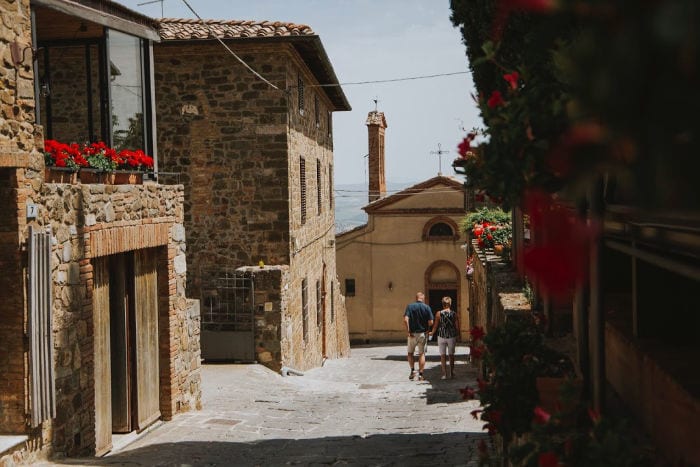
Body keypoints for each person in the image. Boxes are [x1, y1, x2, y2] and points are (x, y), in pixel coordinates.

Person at [403, 292, 434, 381]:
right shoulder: (426, 307)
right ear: (423, 298)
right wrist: (427, 329)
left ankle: (412, 371)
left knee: (410, 353)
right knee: (422, 354)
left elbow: (405, 320)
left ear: (416, 298)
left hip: (412, 334)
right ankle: (420, 374)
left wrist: (408, 330)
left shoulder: (410, 306)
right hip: (422, 334)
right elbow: (431, 322)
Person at [429, 296, 460, 379]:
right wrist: (458, 335)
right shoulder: (454, 314)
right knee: (451, 355)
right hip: (451, 336)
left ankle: (444, 374)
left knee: (443, 355)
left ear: (442, 304)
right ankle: (452, 373)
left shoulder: (439, 313)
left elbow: (435, 325)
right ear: (450, 304)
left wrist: (432, 333)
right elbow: (457, 326)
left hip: (441, 336)